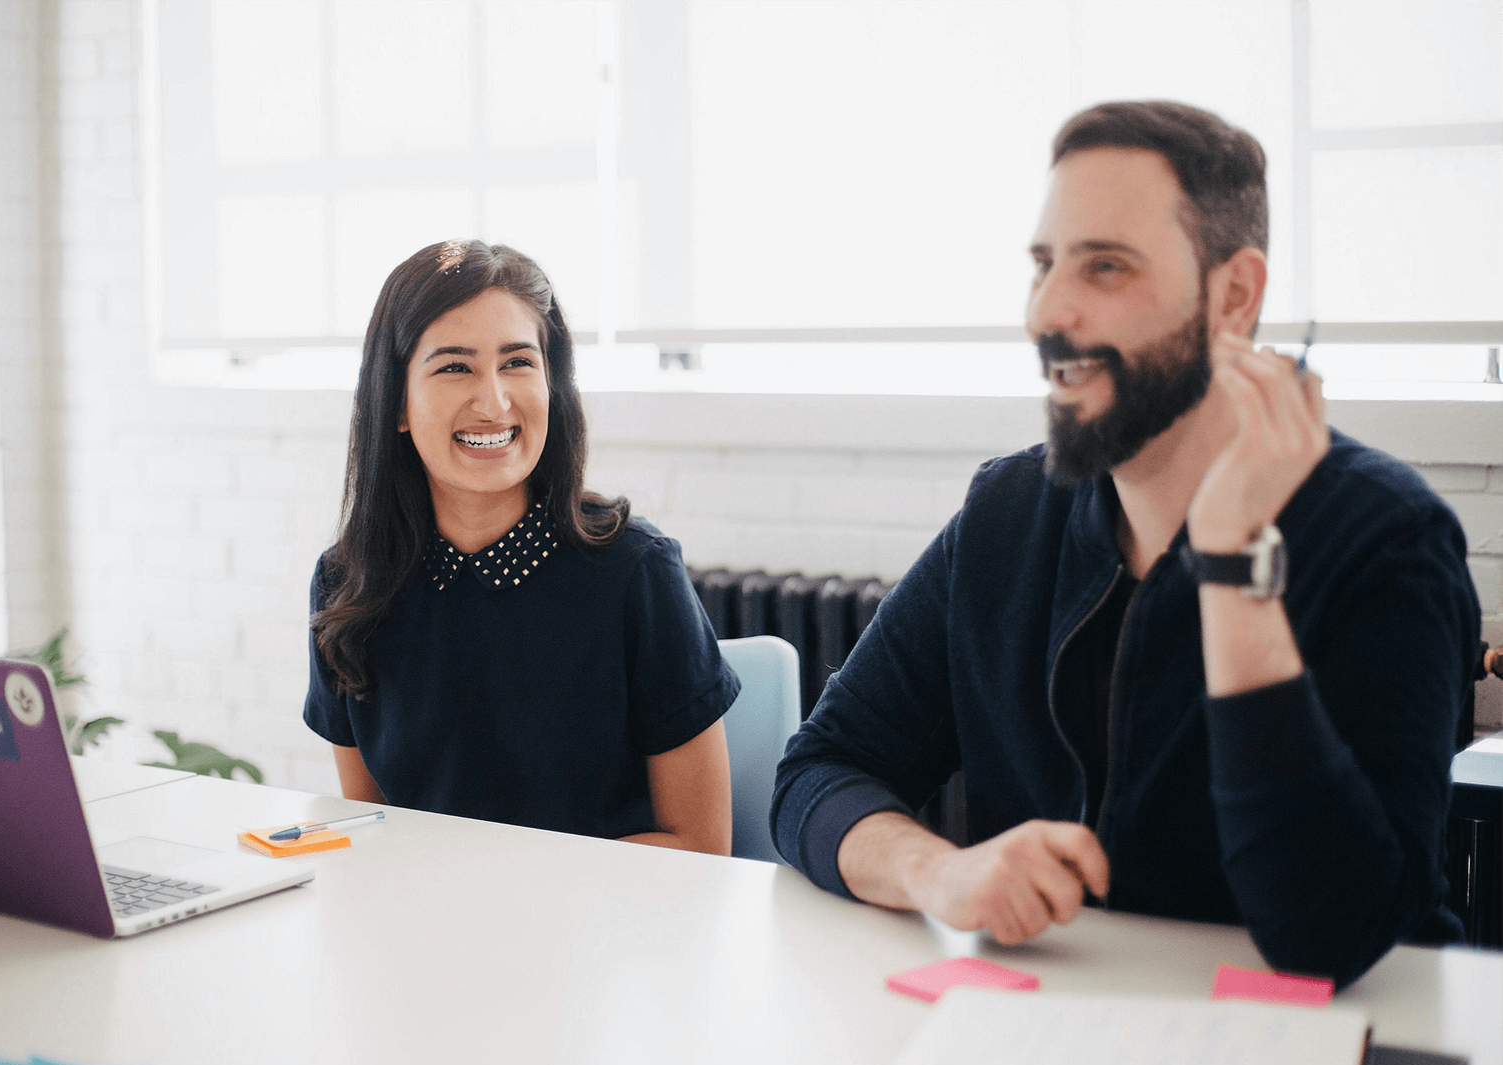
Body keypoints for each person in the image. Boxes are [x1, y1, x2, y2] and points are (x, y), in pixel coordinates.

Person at [771, 101, 1478, 987]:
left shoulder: (1387, 538)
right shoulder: (1008, 511)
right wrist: (937, 870)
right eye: (1042, 265)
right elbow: (818, 772)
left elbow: (1330, 935)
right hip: (1055, 1018)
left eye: (1104, 267)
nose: (1047, 312)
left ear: (1231, 296)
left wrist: (1231, 565)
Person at [305, 239, 738, 855]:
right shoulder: (347, 582)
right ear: (396, 401)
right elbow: (375, 830)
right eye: (455, 367)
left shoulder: (634, 570)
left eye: (517, 363)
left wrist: (504, 898)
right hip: (425, 928)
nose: (494, 401)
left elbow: (700, 844)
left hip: (610, 932)